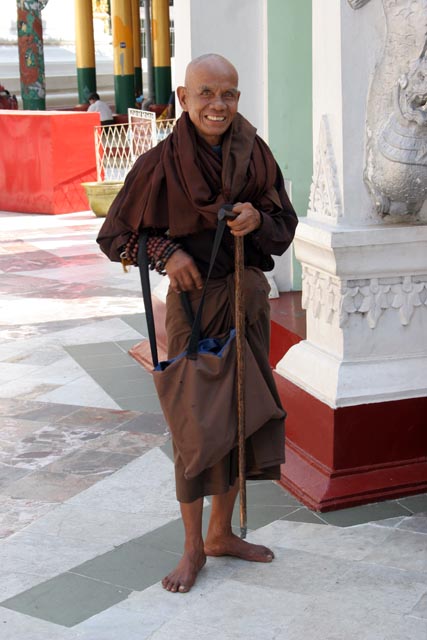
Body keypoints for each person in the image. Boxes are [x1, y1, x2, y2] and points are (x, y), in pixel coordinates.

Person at [97, 53, 298, 593]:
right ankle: (192, 548)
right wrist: (166, 253)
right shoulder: (160, 164)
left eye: (228, 94)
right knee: (195, 427)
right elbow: (114, 236)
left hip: (246, 303)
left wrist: (260, 219)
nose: (218, 105)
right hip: (193, 308)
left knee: (238, 419)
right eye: (205, 93)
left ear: (238, 98)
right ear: (183, 99)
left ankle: (221, 534)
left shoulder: (254, 154)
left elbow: (285, 222)